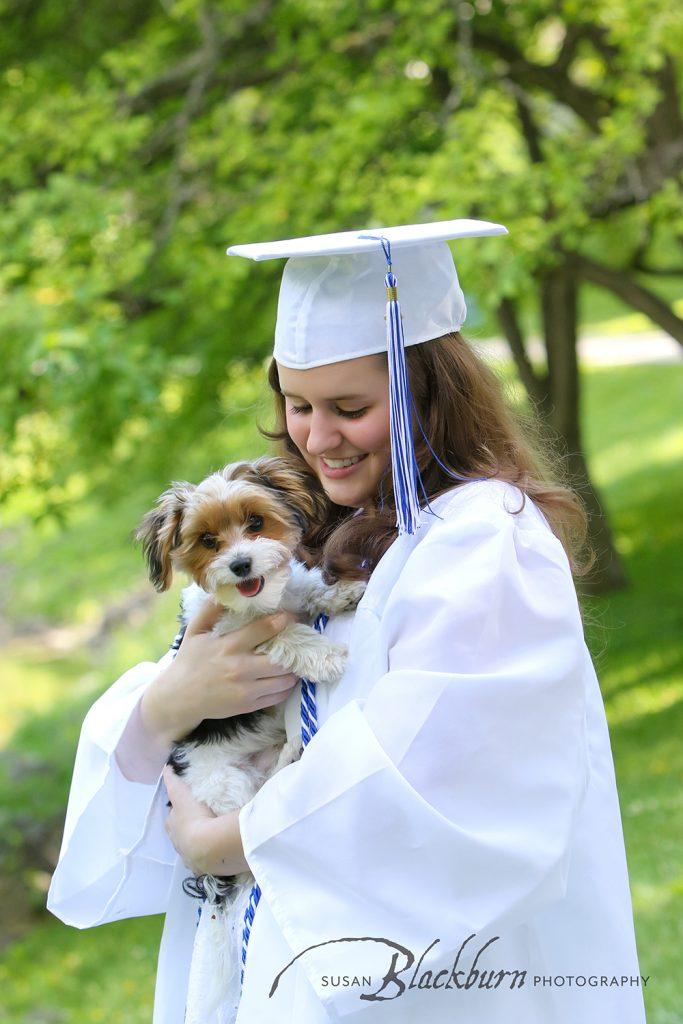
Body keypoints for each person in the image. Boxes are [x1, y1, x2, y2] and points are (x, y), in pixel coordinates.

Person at [47, 221, 646, 1024]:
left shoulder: (480, 539)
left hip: (430, 978)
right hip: (287, 950)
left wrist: (220, 844)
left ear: (427, 397)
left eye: (349, 407)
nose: (317, 437)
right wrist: (166, 705)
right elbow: (186, 704)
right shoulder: (317, 527)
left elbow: (442, 770)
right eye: (295, 404)